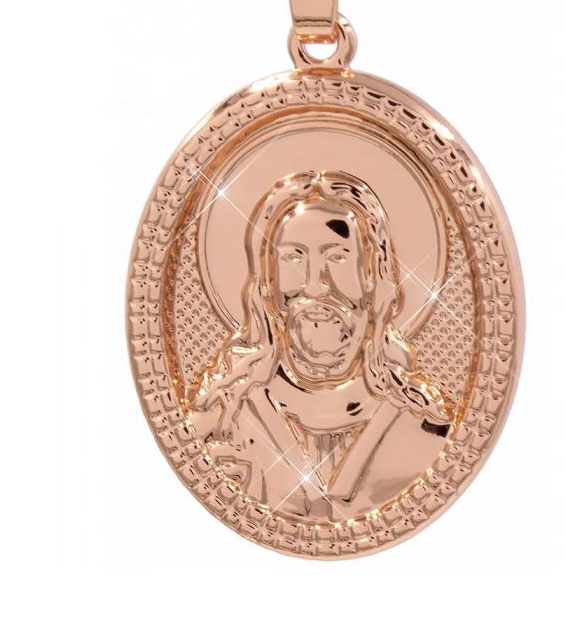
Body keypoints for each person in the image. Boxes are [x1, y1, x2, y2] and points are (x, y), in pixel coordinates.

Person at [189, 170, 453, 521]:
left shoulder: (423, 433)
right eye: (293, 257)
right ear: (266, 284)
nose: (315, 286)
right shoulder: (224, 421)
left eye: (337, 257)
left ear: (372, 277)